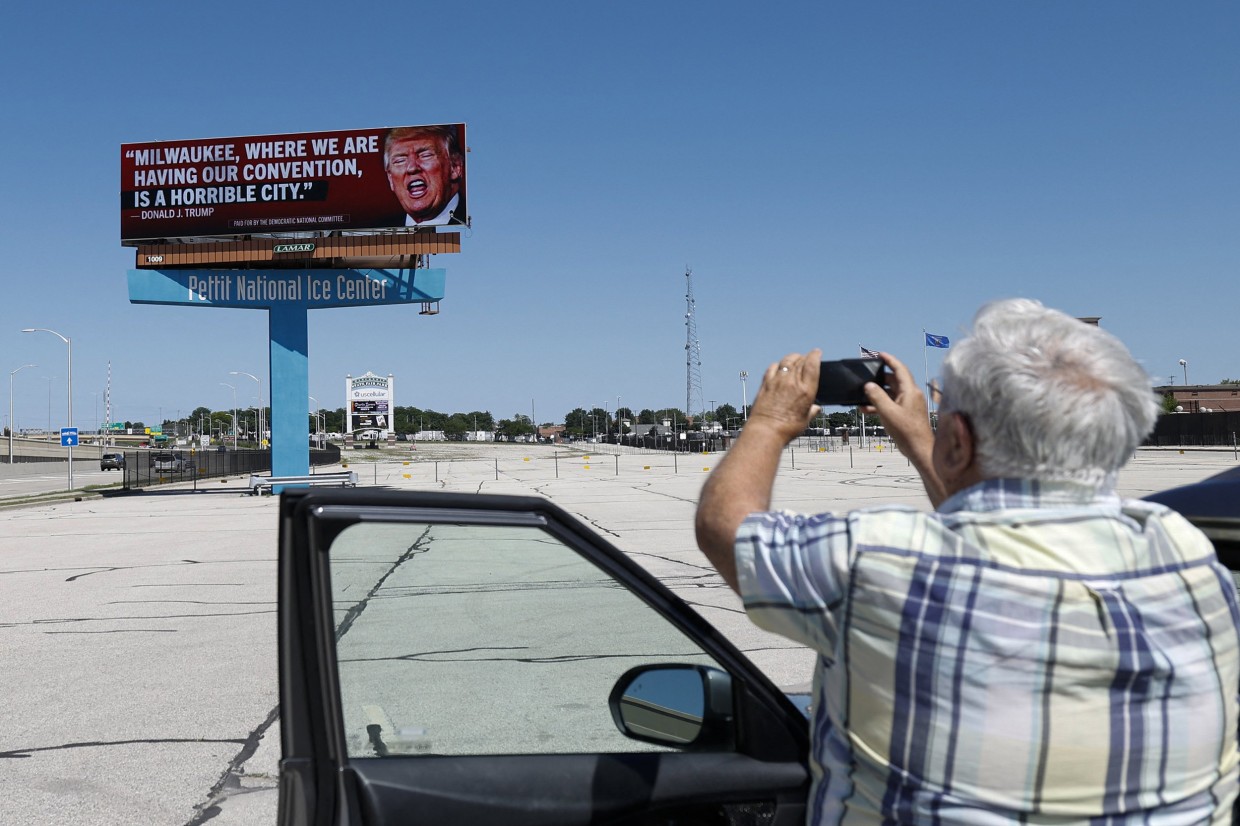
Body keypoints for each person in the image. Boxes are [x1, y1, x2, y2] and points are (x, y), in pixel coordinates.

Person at [696, 298, 1240, 824]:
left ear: (956, 441)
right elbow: (995, 537)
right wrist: (921, 439)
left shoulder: (879, 559)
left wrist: (769, 420)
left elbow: (727, 530)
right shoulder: (1189, 560)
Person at [383, 125, 466, 226]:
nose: (412, 168)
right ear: (390, 178)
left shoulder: (480, 218)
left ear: (455, 166)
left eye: (425, 155)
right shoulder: (377, 231)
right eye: (400, 160)